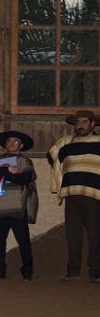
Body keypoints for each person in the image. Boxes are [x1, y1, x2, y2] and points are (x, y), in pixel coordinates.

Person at [48, 110, 100, 284]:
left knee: (96, 235)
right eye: (78, 122)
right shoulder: (65, 143)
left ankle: (96, 272)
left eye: (84, 121)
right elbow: (52, 156)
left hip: (94, 196)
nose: (80, 125)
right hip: (71, 196)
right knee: (73, 235)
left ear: (92, 124)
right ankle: (72, 271)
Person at [0, 131, 38, 282]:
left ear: (21, 146)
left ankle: (27, 273)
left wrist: (1, 173)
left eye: (15, 142)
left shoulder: (25, 161)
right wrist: (8, 170)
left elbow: (24, 178)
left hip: (17, 208)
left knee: (24, 241)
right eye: (9, 141)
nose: (11, 143)